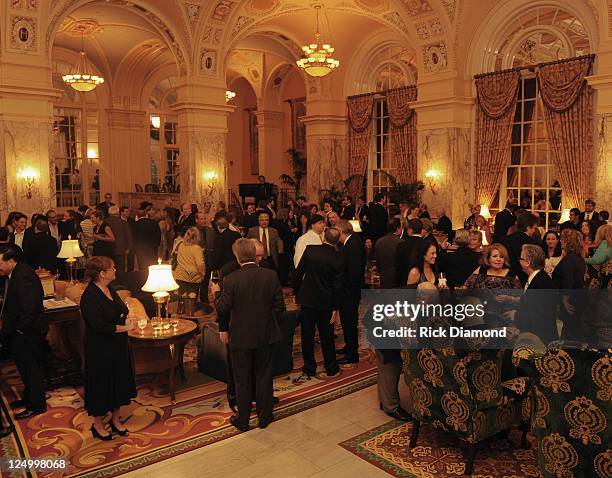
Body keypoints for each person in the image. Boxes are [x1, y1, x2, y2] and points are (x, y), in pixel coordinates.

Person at [214, 239, 285, 431]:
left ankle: (243, 420)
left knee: (242, 380)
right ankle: (265, 417)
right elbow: (280, 308)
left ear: (237, 256)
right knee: (264, 376)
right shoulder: (270, 276)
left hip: (240, 337)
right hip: (265, 334)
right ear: (255, 255)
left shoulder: (231, 280)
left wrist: (216, 293)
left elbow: (223, 307)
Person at [80, 256, 136, 440]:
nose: (115, 270)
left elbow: (121, 311)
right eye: (112, 268)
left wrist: (126, 320)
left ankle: (115, 419)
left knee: (119, 381)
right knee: (102, 383)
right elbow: (98, 326)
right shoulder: (89, 296)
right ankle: (97, 424)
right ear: (102, 274)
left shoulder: (109, 288)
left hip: (117, 345)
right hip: (100, 348)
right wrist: (125, 327)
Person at [0, 244, 47, 419]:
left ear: (10, 260)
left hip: (26, 332)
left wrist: (19, 330)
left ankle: (37, 405)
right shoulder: (14, 273)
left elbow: (30, 308)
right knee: (24, 369)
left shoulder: (24, 274)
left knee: (31, 369)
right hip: (19, 331)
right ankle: (29, 398)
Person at [293, 228, 344, 377]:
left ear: (323, 238)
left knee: (307, 335)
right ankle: (331, 367)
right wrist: (335, 308)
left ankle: (309, 367)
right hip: (327, 302)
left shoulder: (310, 251)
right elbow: (337, 286)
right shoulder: (338, 258)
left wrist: (296, 292)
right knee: (327, 336)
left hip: (308, 299)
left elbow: (298, 273)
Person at [509, 244, 559, 345]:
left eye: (520, 258)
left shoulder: (540, 283)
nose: (519, 260)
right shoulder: (538, 278)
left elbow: (538, 315)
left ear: (527, 263)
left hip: (540, 340)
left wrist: (515, 315)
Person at [335, 220, 366, 364]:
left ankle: (352, 355)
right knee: (348, 323)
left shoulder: (352, 245)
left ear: (341, 231)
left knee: (349, 323)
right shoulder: (352, 242)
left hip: (350, 293)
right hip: (349, 291)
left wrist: (346, 291)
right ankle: (349, 347)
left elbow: (353, 273)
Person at [552, 229, 586, 340]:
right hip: (578, 297)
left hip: (571, 298)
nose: (560, 241)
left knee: (570, 331)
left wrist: (565, 299)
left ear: (567, 241)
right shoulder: (579, 258)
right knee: (573, 328)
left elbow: (568, 280)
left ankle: (567, 355)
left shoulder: (569, 259)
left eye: (562, 239)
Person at [502, 212, 541, 284]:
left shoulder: (506, 239)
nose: (534, 231)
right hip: (524, 279)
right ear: (528, 227)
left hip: (506, 277)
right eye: (534, 228)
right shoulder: (531, 243)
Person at [173, 227, 205, 296]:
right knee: (192, 300)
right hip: (193, 278)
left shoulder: (180, 245)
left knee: (182, 298)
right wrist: (203, 274)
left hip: (180, 276)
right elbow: (200, 264)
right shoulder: (197, 248)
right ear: (196, 237)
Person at [374, 218, 404, 289]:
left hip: (384, 278)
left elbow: (377, 262)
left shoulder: (379, 242)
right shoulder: (401, 242)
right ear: (398, 228)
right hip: (397, 280)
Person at [396, 218, 424, 287]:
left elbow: (398, 267)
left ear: (410, 230)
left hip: (404, 283)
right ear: (421, 230)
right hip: (423, 283)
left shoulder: (401, 245)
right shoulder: (427, 244)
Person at [195, 212, 216, 303]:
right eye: (201, 219)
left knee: (205, 282)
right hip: (196, 262)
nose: (204, 221)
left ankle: (204, 301)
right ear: (196, 220)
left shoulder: (210, 230)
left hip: (208, 261)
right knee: (196, 285)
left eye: (204, 219)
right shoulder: (193, 231)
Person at [105, 206, 131, 272]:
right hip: (120, 249)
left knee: (108, 268)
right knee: (120, 269)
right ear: (118, 213)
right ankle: (120, 281)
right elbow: (128, 236)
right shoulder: (123, 222)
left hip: (108, 249)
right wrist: (128, 248)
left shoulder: (104, 222)